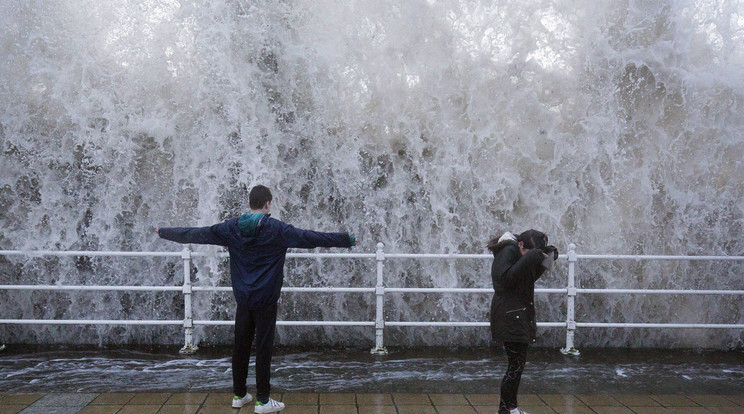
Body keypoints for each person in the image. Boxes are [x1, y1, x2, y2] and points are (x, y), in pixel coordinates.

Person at [157, 185, 355, 413]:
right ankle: (262, 400)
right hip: (266, 300)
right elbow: (310, 238)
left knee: (240, 347)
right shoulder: (277, 230)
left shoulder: (231, 228)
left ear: (250, 203)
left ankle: (239, 395)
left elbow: (196, 233)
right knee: (263, 348)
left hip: (243, 299)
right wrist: (346, 240)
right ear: (268, 203)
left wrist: (164, 231)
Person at [487, 230, 558, 414]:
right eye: (529, 253)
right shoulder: (508, 250)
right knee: (515, 365)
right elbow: (504, 279)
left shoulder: (517, 253)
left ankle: (509, 408)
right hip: (509, 316)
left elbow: (526, 276)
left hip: (516, 315)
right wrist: (531, 257)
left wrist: (546, 258)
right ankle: (508, 409)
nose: (529, 258)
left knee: (517, 365)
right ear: (520, 245)